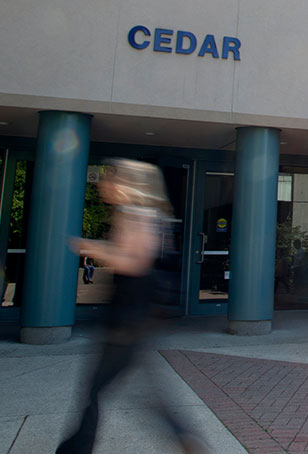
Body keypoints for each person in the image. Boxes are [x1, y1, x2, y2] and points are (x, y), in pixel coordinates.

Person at [56, 159, 206, 454]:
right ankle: (186, 439)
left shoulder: (135, 214)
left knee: (96, 390)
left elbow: (136, 261)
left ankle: (76, 450)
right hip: (132, 315)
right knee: (138, 388)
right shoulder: (139, 213)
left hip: (129, 316)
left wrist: (93, 248)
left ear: (123, 183)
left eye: (107, 178)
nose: (102, 184)